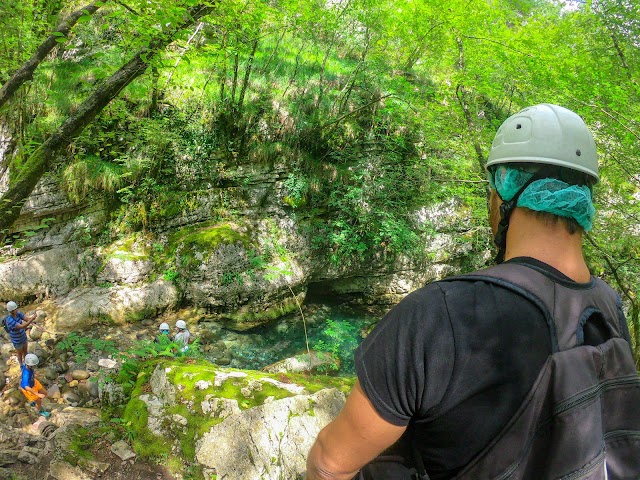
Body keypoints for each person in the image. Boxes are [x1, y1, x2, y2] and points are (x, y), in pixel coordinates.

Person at [306, 104, 640, 480]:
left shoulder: (440, 314)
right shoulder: (608, 308)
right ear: (583, 203)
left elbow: (329, 464)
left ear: (503, 195)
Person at [5, 301, 36, 366]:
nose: (17, 310)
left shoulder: (18, 313)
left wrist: (32, 318)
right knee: (20, 354)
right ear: (11, 311)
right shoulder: (9, 320)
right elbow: (22, 326)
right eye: (15, 309)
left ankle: (27, 364)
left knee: (25, 352)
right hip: (17, 340)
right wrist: (32, 319)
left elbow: (26, 319)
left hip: (23, 337)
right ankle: (21, 365)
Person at [20, 353, 49, 418]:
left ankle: (34, 400)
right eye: (34, 365)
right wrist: (37, 394)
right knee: (39, 401)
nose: (35, 366)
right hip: (29, 388)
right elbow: (26, 387)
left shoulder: (28, 366)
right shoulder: (26, 374)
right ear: (29, 365)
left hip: (34, 382)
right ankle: (41, 411)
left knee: (45, 393)